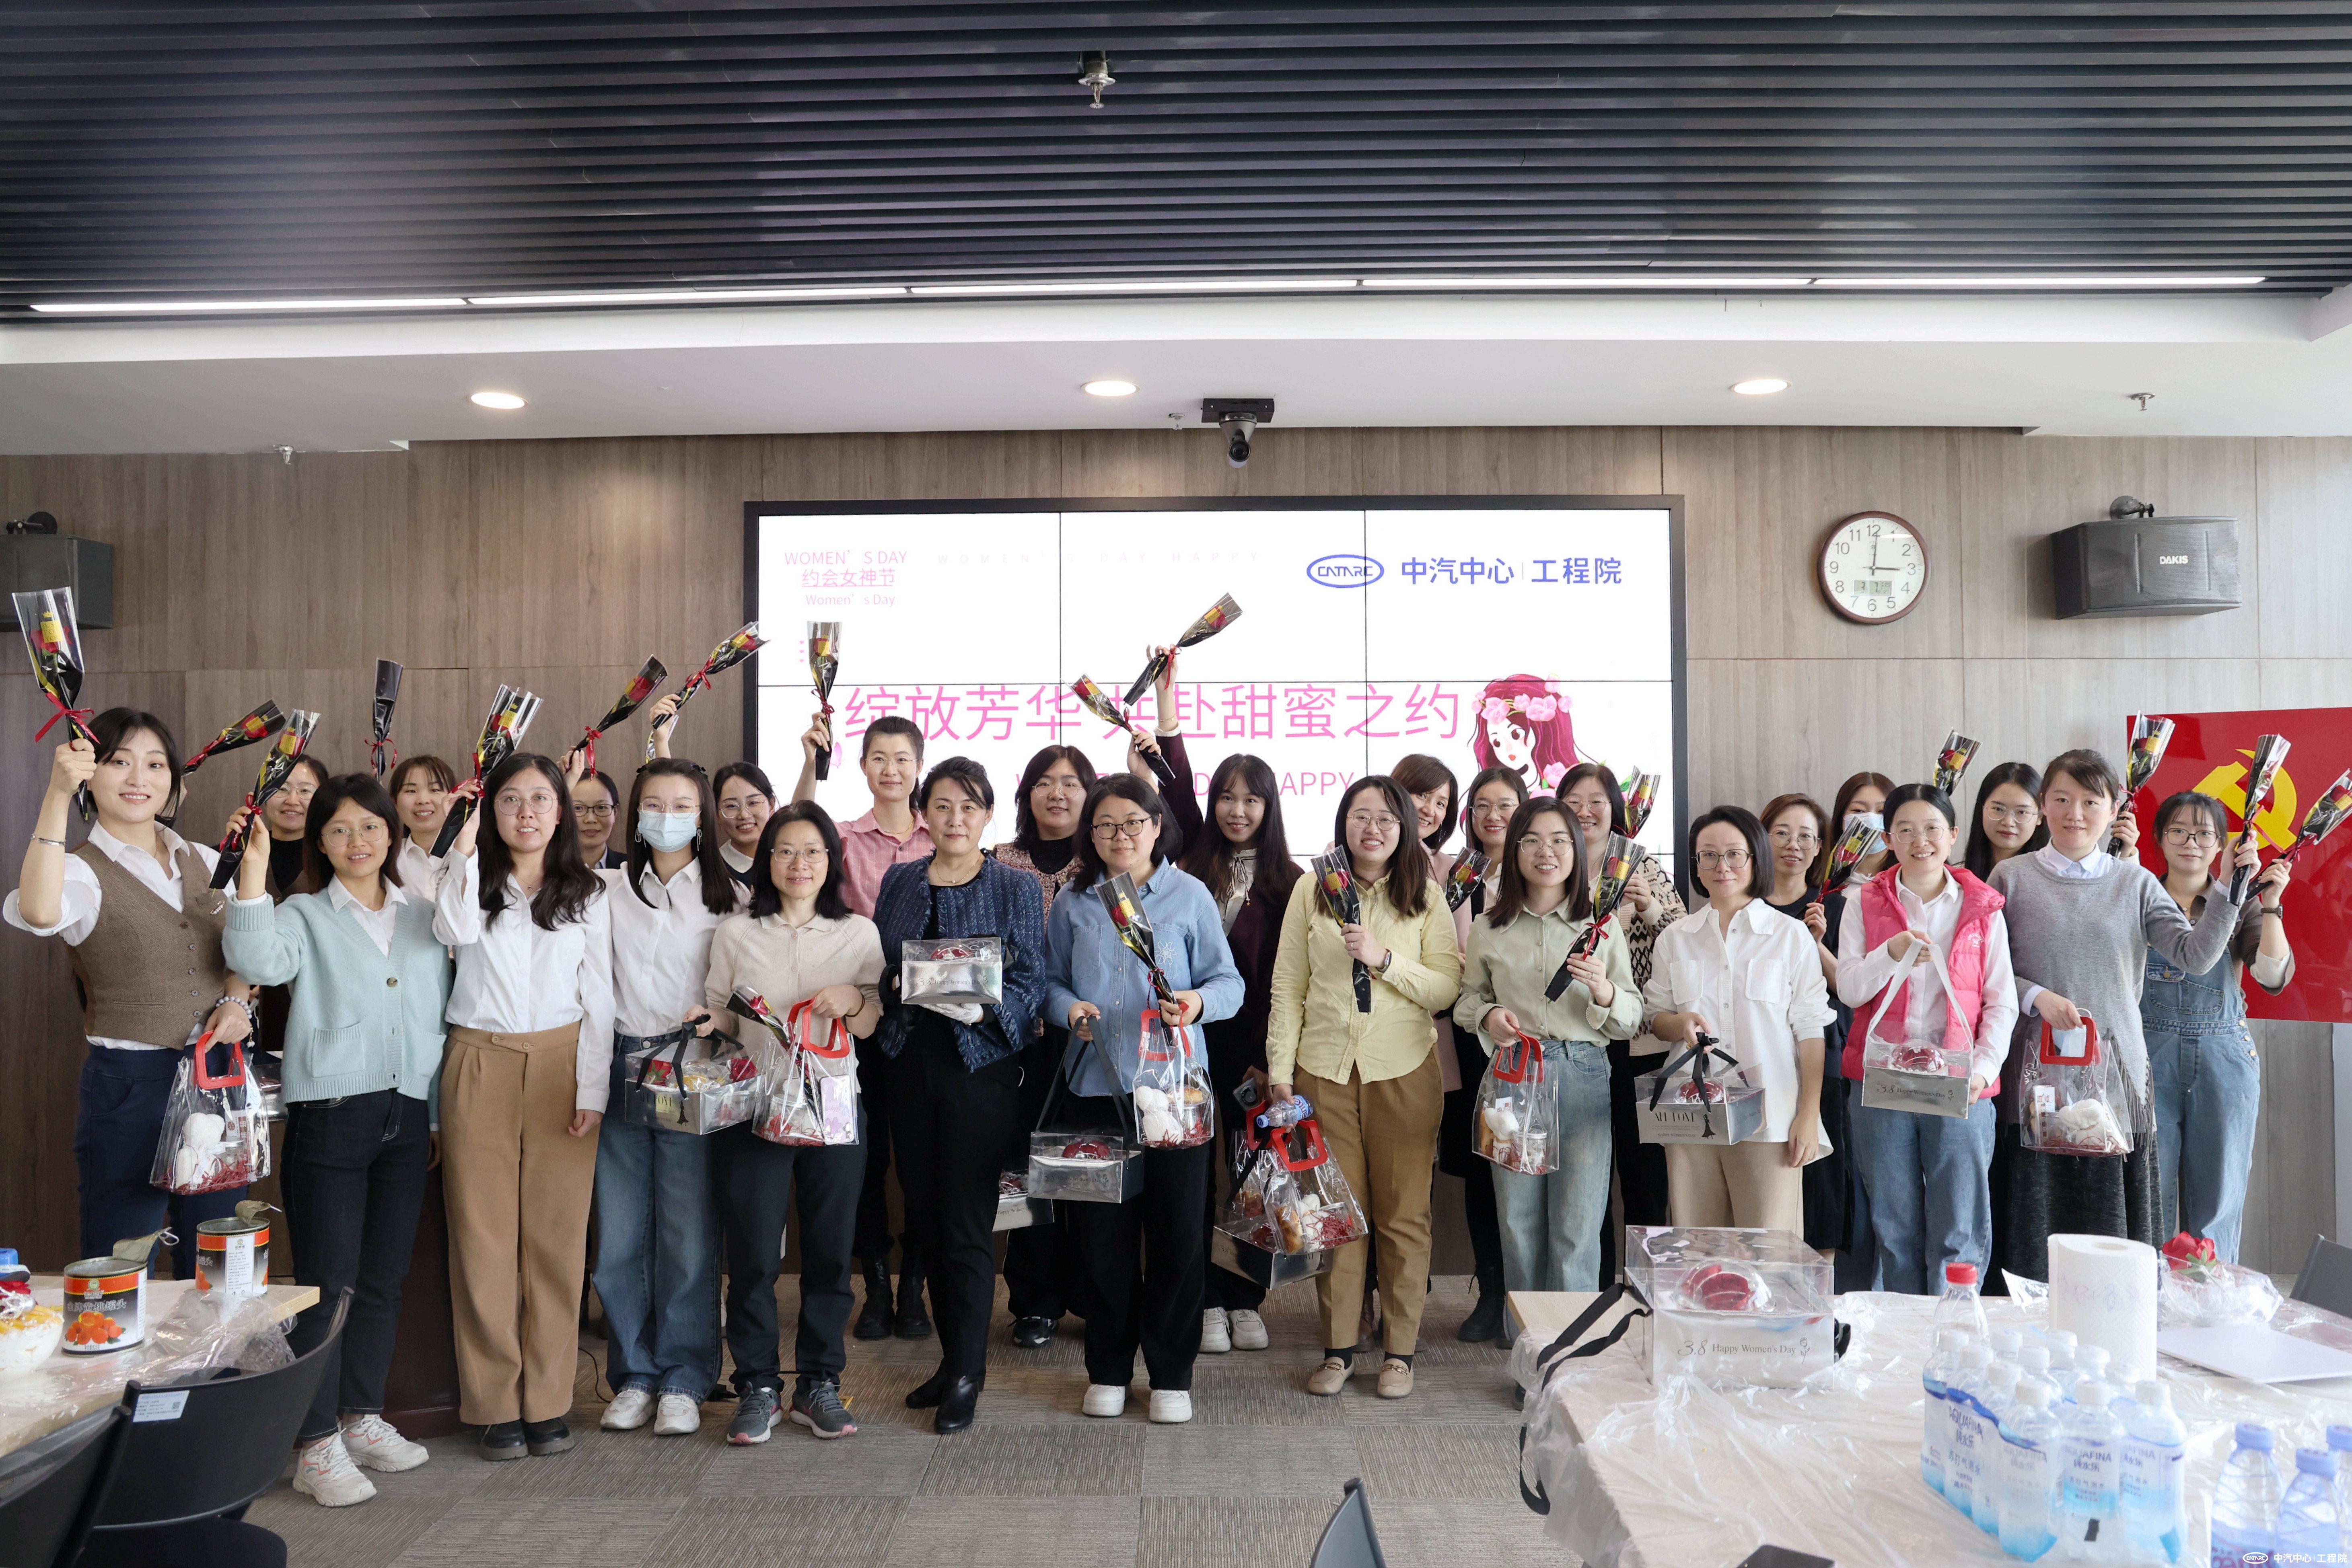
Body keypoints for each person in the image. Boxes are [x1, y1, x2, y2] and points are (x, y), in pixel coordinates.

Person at [223, 774, 452, 1506]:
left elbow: (438, 1017)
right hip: (331, 1113)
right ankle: (315, 1441)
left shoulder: (424, 914)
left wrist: (434, 1114)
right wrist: (255, 870)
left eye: (371, 827)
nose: (358, 841)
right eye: (341, 829)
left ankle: (361, 1415)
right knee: (328, 1284)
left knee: (384, 1278)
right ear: (320, 841)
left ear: (391, 835)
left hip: (406, 1113)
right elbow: (258, 963)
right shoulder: (303, 914)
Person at [4, 712, 259, 1279]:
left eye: (155, 764)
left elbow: (245, 953)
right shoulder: (79, 871)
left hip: (218, 1075)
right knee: (121, 1256)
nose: (138, 777)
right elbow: (40, 911)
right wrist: (56, 793)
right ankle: (115, 1344)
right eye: (119, 761)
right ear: (89, 774)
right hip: (131, 1085)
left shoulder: (207, 859)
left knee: (221, 1257)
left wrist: (238, 1000)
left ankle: (217, 1347)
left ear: (175, 780)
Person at [1989, 751, 2245, 1280]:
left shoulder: (2135, 882)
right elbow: (1984, 973)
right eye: (2061, 799)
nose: (2074, 813)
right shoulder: (2010, 877)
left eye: (2090, 802)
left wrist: (2225, 888)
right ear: (2043, 805)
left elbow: (2195, 955)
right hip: (2034, 1082)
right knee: (2034, 1229)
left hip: (2115, 1084)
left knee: (2113, 1240)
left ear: (2113, 811)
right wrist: (2034, 995)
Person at [1044, 774, 1243, 1424]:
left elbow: (1229, 983)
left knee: (1178, 1233)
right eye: (1105, 824)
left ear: (1158, 826)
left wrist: (1195, 1002)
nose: (1119, 835)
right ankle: (1107, 1367)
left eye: (1133, 822)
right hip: (1096, 1088)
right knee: (1102, 1239)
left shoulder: (1189, 896)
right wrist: (1067, 1008)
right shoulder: (1074, 900)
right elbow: (1048, 980)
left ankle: (1170, 1373)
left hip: (1174, 1093)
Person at [432, 752, 613, 1462]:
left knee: (556, 1241)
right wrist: (461, 843)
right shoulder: (469, 881)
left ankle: (547, 1399)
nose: (527, 812)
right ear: (491, 809)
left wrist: (592, 1090)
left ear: (561, 811)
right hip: (479, 1058)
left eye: (541, 798)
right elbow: (450, 932)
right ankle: (493, 1403)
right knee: (482, 1238)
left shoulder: (588, 891)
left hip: (562, 1065)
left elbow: (600, 997)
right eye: (510, 799)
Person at [1266, 776, 1463, 1401]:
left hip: (1402, 1071)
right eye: (1359, 815)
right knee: (1335, 1217)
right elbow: (1287, 986)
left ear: (1405, 827)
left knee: (1403, 1216)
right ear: (1342, 822)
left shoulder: (1423, 894)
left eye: (1385, 818)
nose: (1371, 828)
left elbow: (1444, 988)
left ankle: (1399, 1353)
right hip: (1322, 1072)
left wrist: (1383, 959)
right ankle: (1338, 1349)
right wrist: (1279, 1071)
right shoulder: (1312, 888)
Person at [694, 801, 883, 1444]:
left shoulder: (857, 933)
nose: (798, 863)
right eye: (784, 850)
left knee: (829, 1249)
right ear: (767, 859)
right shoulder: (736, 932)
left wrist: (852, 999)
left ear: (831, 860)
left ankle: (819, 1381)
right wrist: (712, 1020)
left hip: (834, 1107)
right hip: (756, 1106)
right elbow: (724, 1013)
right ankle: (756, 1383)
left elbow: (871, 1021)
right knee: (752, 1252)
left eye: (811, 851)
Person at [869, 757, 1047, 1433]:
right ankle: (949, 1362)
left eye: (969, 807)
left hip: (979, 1068)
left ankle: (969, 1372)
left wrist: (985, 1008)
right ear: (924, 813)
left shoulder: (1015, 885)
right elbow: (883, 963)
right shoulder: (900, 879)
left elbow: (1031, 977)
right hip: (908, 1062)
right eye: (942, 806)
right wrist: (895, 985)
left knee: (967, 1223)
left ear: (987, 816)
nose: (954, 819)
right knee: (925, 1219)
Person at [591, 759, 742, 1440]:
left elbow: (739, 994)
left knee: (686, 1230)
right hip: (618, 1062)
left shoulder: (729, 896)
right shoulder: (606, 889)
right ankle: (633, 1373)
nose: (667, 815)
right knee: (619, 1233)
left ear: (702, 816)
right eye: (654, 803)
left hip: (691, 1066)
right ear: (636, 815)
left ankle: (684, 1374)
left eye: (682, 805)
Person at [1833, 784, 2017, 1293]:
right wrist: (1890, 953)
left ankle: (1955, 1325)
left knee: (1959, 1225)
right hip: (1882, 1083)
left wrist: (1983, 1070)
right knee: (1894, 1225)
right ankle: (1905, 1330)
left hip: (1962, 1083)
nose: (1921, 840)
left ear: (1953, 835)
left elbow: (2001, 1000)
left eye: (1933, 828)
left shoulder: (1982, 906)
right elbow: (1850, 989)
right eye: (1906, 830)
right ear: (1889, 838)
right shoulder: (1862, 901)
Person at [1452, 796, 1641, 1292]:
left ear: (1577, 849)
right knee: (1518, 1223)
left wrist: (1604, 990)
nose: (1546, 851)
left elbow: (1631, 1018)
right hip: (1513, 1075)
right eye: (1532, 840)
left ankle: (1571, 1341)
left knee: (1577, 1226)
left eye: (1559, 840)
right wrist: (1488, 1016)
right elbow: (1467, 1001)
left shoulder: (1600, 927)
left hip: (1582, 1072)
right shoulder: (1489, 927)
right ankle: (1527, 1337)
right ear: (1514, 851)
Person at [795, 712, 932, 1338]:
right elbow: (796, 827)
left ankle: (915, 1287)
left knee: (922, 1162)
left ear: (919, 766)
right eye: (879, 757)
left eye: (902, 759)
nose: (891, 769)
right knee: (865, 1159)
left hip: (925, 1024)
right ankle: (875, 1284)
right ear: (862, 766)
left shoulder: (942, 834)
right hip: (856, 1022)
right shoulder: (844, 839)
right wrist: (810, 763)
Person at [1169, 737, 1303, 1357]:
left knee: (1255, 1177)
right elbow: (1175, 788)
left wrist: (1272, 1060)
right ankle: (1204, 1300)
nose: (1237, 810)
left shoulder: (1291, 883)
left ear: (1269, 807)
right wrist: (1166, 724)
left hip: (1255, 1052)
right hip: (1187, 1045)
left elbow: (1291, 981)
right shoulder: (1187, 868)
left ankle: (1245, 1296)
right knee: (1193, 1176)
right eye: (1226, 796)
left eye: (1251, 799)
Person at [1642, 806, 1833, 1231]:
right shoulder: (1675, 938)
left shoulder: (1790, 936)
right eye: (1708, 855)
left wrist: (1808, 1114)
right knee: (1699, 1245)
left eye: (1734, 854)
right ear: (1696, 864)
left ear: (1755, 858)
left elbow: (1810, 1030)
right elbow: (1656, 1018)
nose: (1721, 866)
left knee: (1769, 1250)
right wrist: (1680, 1024)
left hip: (1772, 1117)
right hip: (1693, 1116)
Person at [2143, 790, 2294, 1262]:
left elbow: (2271, 977)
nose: (2191, 842)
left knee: (2216, 1207)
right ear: (2159, 838)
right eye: (2179, 831)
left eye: (2204, 833)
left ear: (2221, 845)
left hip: (2223, 1059)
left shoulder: (2239, 903)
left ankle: (2207, 1301)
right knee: (2147, 1198)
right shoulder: (2139, 895)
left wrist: (2270, 904)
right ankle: (2145, 1299)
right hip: (2146, 1057)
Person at [1555, 762, 1684, 1285]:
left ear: (1616, 810)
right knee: (1584, 1181)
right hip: (1574, 1039)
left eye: (1597, 802)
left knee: (1643, 1173)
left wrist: (1649, 908)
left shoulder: (1639, 863)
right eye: (1573, 801)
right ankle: (1593, 1288)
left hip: (1638, 1041)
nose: (1585, 812)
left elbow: (1683, 936)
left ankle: (1645, 1287)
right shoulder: (1552, 862)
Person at [992, 743, 1098, 1350]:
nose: (1057, 793)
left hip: (1087, 1039)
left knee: (1088, 1165)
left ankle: (1092, 1293)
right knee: (1029, 1168)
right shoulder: (998, 862)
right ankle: (1034, 1300)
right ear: (1026, 793)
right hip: (1018, 1045)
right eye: (1044, 782)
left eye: (1071, 782)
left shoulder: (1105, 863)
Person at [1437, 764, 1523, 1341]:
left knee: (1522, 1161)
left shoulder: (1541, 867)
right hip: (1469, 1041)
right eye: (1482, 806)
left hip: (1526, 1042)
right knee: (1479, 1166)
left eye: (1505, 805)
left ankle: (1528, 1296)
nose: (1493, 816)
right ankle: (1491, 1292)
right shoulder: (1459, 875)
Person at [1963, 762, 2050, 881]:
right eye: (1998, 809)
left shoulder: (2051, 880)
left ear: (2040, 816)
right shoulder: (1956, 881)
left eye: (2022, 812)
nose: (2008, 822)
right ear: (1982, 808)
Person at [388, 754, 457, 896]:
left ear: (454, 798)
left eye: (435, 790)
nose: (423, 800)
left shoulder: (471, 854)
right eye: (411, 791)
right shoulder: (387, 859)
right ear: (395, 803)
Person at [712, 763, 777, 890]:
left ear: (771, 805)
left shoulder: (786, 862)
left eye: (753, 803)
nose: (744, 815)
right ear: (717, 814)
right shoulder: (709, 870)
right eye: (731, 806)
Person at [565, 763, 626, 870]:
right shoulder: (544, 871)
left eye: (601, 808)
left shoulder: (632, 870)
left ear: (615, 813)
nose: (590, 819)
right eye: (578, 808)